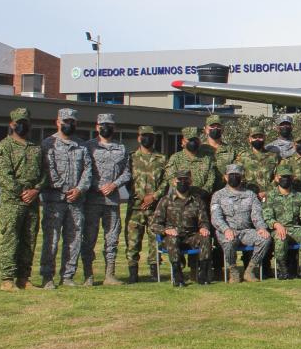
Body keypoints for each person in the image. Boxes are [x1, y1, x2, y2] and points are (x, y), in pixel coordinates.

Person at [0, 107, 45, 291]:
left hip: (32, 201)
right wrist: (22, 192)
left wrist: (36, 190)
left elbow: (44, 173)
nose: (22, 126)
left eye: (25, 122)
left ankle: (24, 278)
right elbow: (3, 175)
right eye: (18, 122)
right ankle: (7, 279)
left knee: (29, 239)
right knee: (11, 239)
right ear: (12, 124)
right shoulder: (4, 146)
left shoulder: (36, 147)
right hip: (13, 202)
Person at [39, 107, 92, 289]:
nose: (68, 124)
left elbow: (88, 171)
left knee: (74, 239)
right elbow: (49, 170)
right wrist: (64, 189)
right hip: (54, 200)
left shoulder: (82, 146)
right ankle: (47, 277)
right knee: (51, 240)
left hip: (76, 201)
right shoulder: (48, 144)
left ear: (76, 124)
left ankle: (68, 276)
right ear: (57, 122)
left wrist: (79, 189)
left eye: (72, 122)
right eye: (65, 121)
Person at [81, 112, 131, 286]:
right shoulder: (88, 147)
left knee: (112, 239)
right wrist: (98, 186)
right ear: (97, 127)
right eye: (102, 125)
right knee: (89, 238)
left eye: (109, 125)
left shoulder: (121, 148)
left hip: (112, 201)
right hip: (93, 201)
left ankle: (110, 274)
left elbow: (127, 172)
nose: (106, 128)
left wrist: (114, 185)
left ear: (114, 127)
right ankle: (88, 275)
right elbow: (84, 171)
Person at [210, 163, 271, 283]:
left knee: (265, 239)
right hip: (227, 231)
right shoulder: (218, 195)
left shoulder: (251, 195)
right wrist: (225, 229)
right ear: (226, 177)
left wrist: (261, 227)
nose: (234, 178)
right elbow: (216, 217)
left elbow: (256, 215)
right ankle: (233, 271)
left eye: (237, 175)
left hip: (245, 231)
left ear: (242, 177)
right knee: (229, 242)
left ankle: (250, 270)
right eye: (231, 175)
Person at [151, 170, 213, 287]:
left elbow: (204, 221)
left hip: (191, 237)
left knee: (205, 237)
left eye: (186, 180)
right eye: (180, 180)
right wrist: (165, 230)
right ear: (175, 181)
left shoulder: (197, 200)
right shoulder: (166, 200)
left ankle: (203, 274)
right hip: (172, 238)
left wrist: (204, 228)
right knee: (172, 239)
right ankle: (177, 275)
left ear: (190, 181)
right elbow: (154, 224)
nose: (183, 182)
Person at [124, 125, 166, 283]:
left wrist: (153, 197)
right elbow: (127, 180)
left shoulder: (161, 159)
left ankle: (155, 271)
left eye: (150, 136)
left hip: (155, 207)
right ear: (139, 137)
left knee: (155, 240)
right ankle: (133, 272)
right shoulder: (131, 158)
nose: (147, 138)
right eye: (144, 135)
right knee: (133, 240)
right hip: (136, 207)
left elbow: (166, 182)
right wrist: (142, 197)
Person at [262, 171, 301, 279]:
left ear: (292, 178)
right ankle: (282, 270)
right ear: (277, 178)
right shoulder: (270, 196)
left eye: (287, 177)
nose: (285, 179)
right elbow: (267, 216)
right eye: (282, 177)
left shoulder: (299, 196)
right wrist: (277, 225)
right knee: (281, 238)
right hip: (277, 229)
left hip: (294, 228)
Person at [166, 126, 217, 199]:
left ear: (199, 141)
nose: (192, 143)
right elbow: (170, 178)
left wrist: (204, 192)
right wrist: (183, 191)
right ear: (183, 141)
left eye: (195, 140)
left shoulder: (207, 159)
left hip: (201, 198)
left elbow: (211, 178)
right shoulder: (175, 158)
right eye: (190, 140)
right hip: (180, 198)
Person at [237, 124, 279, 201]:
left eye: (260, 137)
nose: (257, 139)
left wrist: (267, 192)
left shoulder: (273, 156)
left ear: (264, 138)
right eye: (254, 137)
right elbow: (239, 177)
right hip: (248, 196)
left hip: (270, 197)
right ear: (249, 139)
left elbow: (278, 177)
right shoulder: (242, 156)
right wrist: (252, 192)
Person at [203, 114, 237, 190]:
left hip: (225, 193)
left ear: (222, 129)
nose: (215, 128)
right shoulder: (199, 149)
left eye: (218, 126)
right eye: (212, 126)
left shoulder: (231, 150)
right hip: (203, 193)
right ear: (205, 129)